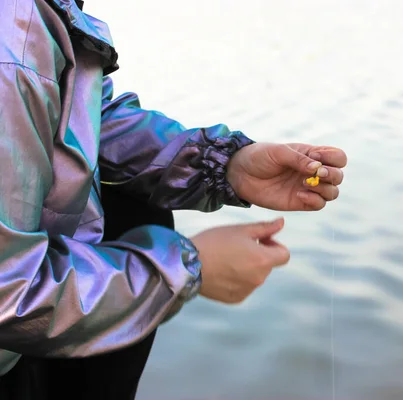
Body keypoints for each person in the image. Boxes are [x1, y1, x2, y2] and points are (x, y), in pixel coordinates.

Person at [0, 0, 347, 398]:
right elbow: (7, 291)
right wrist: (188, 269)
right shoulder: (12, 40)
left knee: (132, 210)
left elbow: (85, 117)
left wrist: (226, 165)